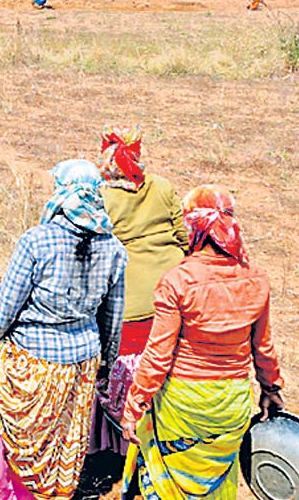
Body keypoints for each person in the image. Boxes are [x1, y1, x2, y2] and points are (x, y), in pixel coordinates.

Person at [0, 159, 126, 500]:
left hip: (28, 362)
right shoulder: (115, 250)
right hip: (80, 366)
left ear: (61, 193)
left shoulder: (36, 242)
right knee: (55, 447)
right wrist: (105, 366)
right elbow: (112, 319)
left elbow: (5, 308)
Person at [121, 185, 285, 499]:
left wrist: (135, 405)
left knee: (166, 481)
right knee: (215, 485)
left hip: (183, 404)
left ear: (193, 226)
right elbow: (263, 347)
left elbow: (157, 355)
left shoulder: (178, 281)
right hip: (231, 403)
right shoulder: (255, 278)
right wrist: (271, 388)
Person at [80, 127, 187, 495]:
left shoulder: (102, 197)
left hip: (129, 305)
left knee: (113, 379)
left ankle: (115, 453)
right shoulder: (163, 186)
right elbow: (184, 238)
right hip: (175, 299)